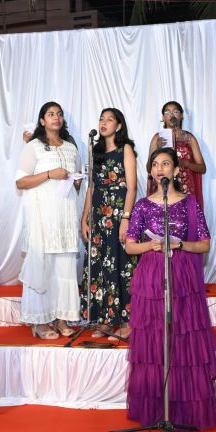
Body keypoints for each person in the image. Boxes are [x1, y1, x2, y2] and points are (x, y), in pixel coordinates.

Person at [123, 148, 216, 430]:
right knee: (155, 341)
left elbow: (204, 244)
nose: (160, 168)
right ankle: (158, 410)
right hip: (151, 279)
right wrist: (151, 245)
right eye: (155, 164)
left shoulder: (190, 203)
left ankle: (184, 412)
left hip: (183, 278)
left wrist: (180, 244)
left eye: (165, 163)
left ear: (177, 171)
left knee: (182, 340)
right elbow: (130, 246)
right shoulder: (142, 205)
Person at [16, 101, 82, 339]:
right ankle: (40, 321)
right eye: (51, 114)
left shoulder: (71, 148)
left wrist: (76, 181)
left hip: (65, 218)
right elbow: (20, 182)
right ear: (42, 120)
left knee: (64, 269)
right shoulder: (33, 147)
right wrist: (49, 174)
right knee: (43, 268)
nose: (56, 117)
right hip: (42, 219)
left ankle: (61, 318)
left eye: (59, 114)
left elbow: (77, 183)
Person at [80, 107, 138, 339]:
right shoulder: (95, 151)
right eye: (101, 119)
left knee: (121, 265)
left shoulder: (126, 149)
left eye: (109, 120)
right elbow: (91, 187)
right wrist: (84, 218)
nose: (103, 123)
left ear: (119, 125)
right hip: (98, 216)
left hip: (118, 215)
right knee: (100, 268)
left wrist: (125, 219)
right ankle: (104, 320)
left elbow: (132, 188)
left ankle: (125, 321)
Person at [147, 102, 206, 206]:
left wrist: (186, 164)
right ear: (163, 117)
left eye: (175, 112)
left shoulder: (189, 138)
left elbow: (202, 168)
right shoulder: (157, 138)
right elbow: (148, 169)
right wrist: (157, 148)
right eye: (167, 113)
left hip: (186, 189)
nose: (171, 115)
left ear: (181, 116)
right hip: (164, 189)